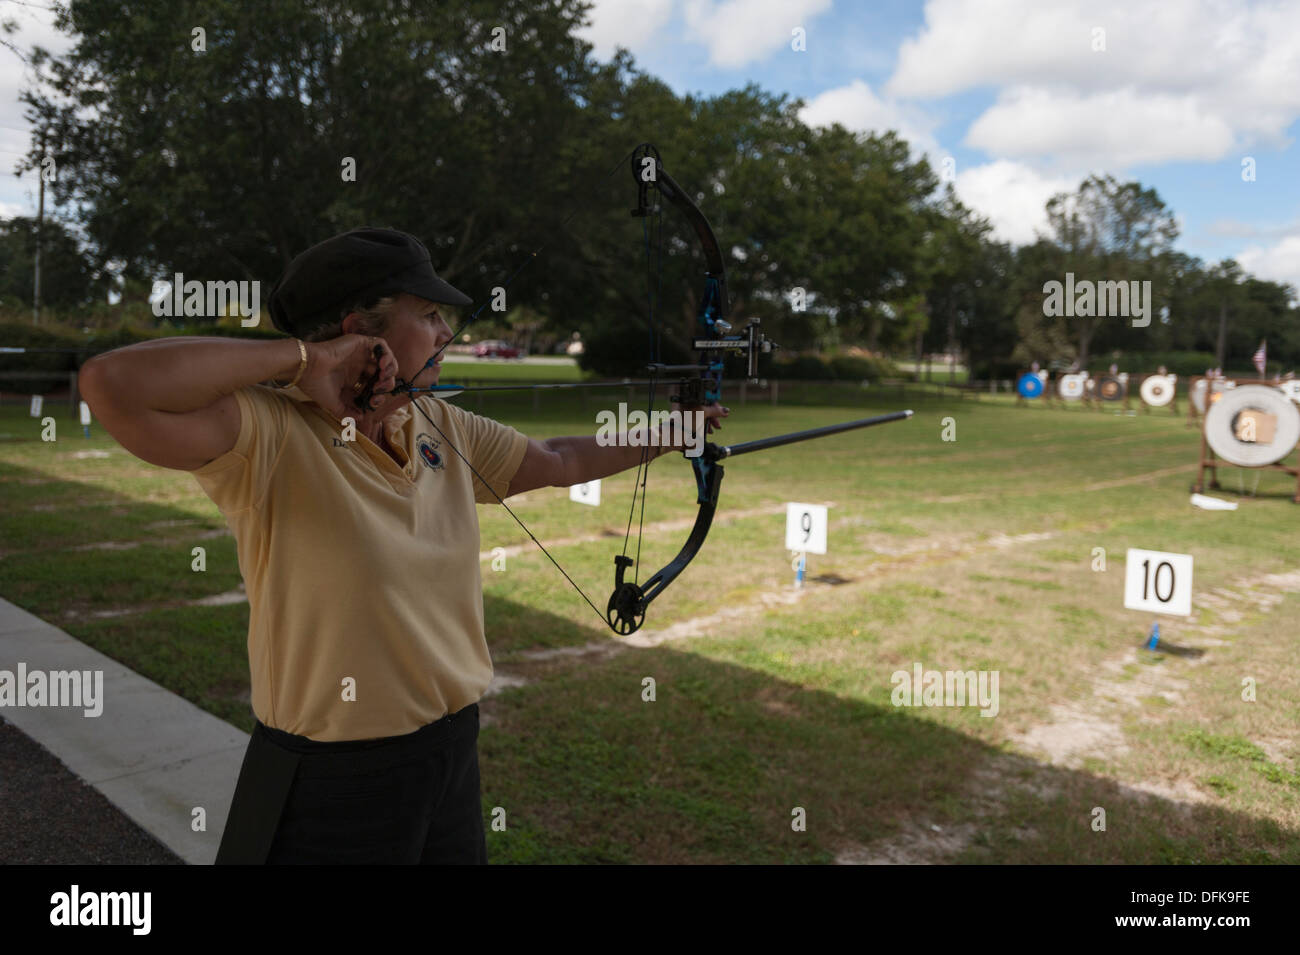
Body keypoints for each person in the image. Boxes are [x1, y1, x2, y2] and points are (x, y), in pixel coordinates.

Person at [78, 227, 726, 864]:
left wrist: (673, 430)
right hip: (337, 778)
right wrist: (305, 361)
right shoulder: (270, 430)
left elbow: (556, 458)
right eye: (429, 314)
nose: (446, 333)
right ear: (362, 328)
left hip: (450, 751)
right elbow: (111, 383)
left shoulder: (434, 419)